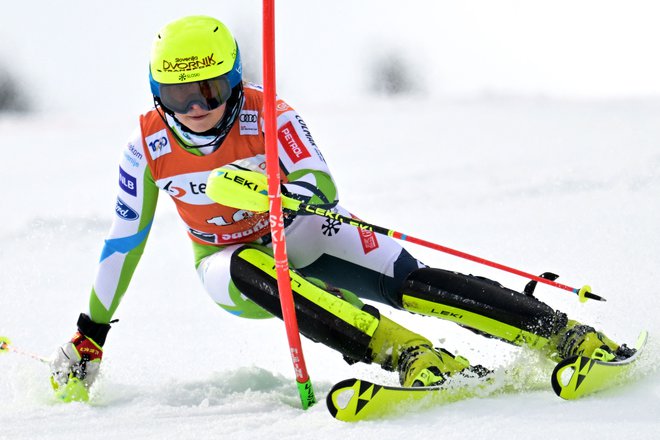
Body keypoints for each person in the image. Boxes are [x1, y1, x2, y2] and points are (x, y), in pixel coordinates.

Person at [50, 15, 635, 400]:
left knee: (410, 280)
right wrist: (90, 331)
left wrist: (278, 194)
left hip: (297, 226)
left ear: (231, 79)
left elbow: (321, 183)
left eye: (208, 90)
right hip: (225, 265)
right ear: (158, 93)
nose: (196, 107)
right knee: (249, 267)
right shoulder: (146, 146)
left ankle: (564, 335)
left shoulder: (268, 113)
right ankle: (408, 355)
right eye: (179, 95)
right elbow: (124, 241)